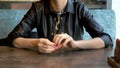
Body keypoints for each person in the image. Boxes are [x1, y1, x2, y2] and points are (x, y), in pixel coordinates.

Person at [4, 0, 113, 53]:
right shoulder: (38, 8)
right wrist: (36, 43)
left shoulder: (79, 8)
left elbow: (106, 39)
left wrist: (75, 44)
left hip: (76, 63)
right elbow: (13, 37)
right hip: (44, 62)